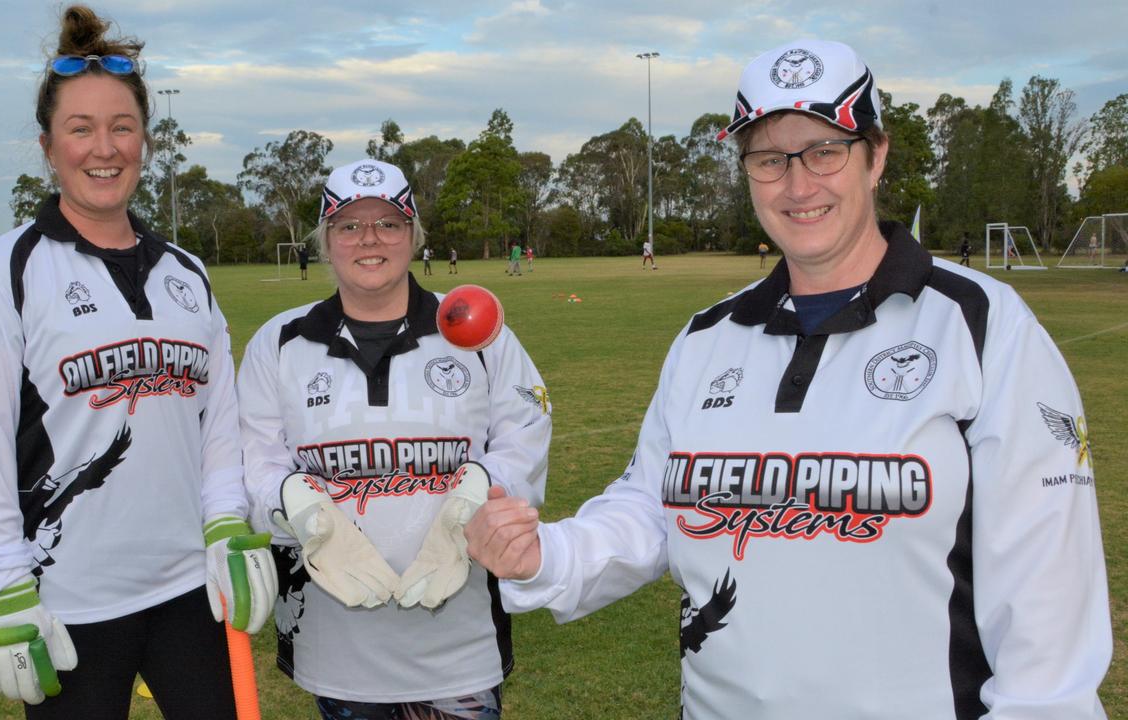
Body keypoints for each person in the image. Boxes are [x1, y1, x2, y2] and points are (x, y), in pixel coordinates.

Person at [466, 39, 1110, 720]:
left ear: (876, 155)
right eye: (770, 158)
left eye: (824, 150)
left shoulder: (981, 327)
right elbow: (651, 509)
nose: (798, 185)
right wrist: (548, 555)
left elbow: (1047, 610)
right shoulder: (707, 339)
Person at [0, 6, 275, 718]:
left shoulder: (186, 270)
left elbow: (217, 419)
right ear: (48, 145)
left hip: (191, 591)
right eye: (81, 128)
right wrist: (7, 586)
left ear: (146, 143)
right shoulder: (5, 274)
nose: (105, 148)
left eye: (122, 127)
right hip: (67, 605)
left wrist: (224, 521)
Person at [238, 159, 551, 719]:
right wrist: (296, 509)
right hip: (333, 641)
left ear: (413, 235)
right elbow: (254, 460)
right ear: (325, 239)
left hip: (459, 643)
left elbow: (526, 430)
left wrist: (479, 494)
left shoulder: (476, 334)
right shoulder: (280, 342)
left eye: (388, 222)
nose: (369, 239)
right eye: (349, 225)